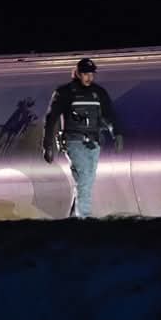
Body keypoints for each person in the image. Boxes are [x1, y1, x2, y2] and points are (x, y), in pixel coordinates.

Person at [43, 58, 123, 218]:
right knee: (85, 179)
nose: (89, 78)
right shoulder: (65, 92)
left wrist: (117, 133)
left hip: (94, 143)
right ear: (78, 73)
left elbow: (109, 115)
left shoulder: (98, 92)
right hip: (74, 142)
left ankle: (74, 216)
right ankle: (83, 217)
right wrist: (47, 145)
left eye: (91, 74)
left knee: (85, 182)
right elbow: (51, 119)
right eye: (85, 74)